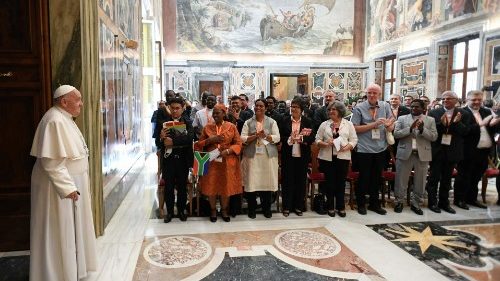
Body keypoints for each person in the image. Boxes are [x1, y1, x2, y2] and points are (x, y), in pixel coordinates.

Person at [30, 85, 97, 280]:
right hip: (57, 188)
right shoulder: (54, 121)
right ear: (64, 101)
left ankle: (73, 270)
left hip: (71, 183)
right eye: (78, 100)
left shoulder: (64, 118)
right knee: (59, 231)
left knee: (70, 230)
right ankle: (56, 273)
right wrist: (67, 188)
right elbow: (51, 162)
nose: (81, 104)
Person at [351, 84, 395, 215]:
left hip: (380, 148)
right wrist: (373, 124)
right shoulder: (359, 108)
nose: (371, 95)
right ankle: (361, 203)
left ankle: (374, 204)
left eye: (374, 93)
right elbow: (354, 128)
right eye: (369, 92)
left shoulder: (385, 106)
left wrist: (388, 126)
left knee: (377, 177)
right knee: (364, 177)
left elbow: (390, 125)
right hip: (364, 149)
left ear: (379, 95)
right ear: (366, 93)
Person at [194, 104, 243, 222]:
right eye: (213, 113)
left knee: (225, 186)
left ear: (224, 113)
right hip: (211, 162)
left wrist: (228, 150)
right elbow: (198, 145)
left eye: (217, 113)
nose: (215, 115)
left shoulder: (231, 127)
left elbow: (238, 143)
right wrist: (210, 140)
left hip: (227, 162)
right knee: (211, 185)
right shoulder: (207, 127)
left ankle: (224, 210)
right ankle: (213, 210)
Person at [426, 91, 471, 214]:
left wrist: (457, 123)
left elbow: (465, 132)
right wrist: (442, 124)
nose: (445, 100)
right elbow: (432, 130)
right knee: (433, 178)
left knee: (446, 179)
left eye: (449, 99)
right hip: (437, 150)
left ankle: (444, 203)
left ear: (456, 100)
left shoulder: (464, 114)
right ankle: (432, 202)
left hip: (453, 150)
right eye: (443, 99)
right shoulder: (434, 112)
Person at [393, 99, 437, 215]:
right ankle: (399, 201)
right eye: (412, 107)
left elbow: (434, 137)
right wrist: (410, 129)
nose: (413, 109)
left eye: (417, 107)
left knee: (420, 181)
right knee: (401, 179)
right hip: (405, 153)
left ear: (423, 108)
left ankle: (416, 203)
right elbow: (396, 134)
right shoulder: (402, 118)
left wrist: (423, 129)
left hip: (422, 154)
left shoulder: (430, 120)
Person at [155, 96, 194, 223]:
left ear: (183, 109)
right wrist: (161, 138)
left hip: (183, 159)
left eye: (178, 108)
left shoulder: (187, 122)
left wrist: (172, 142)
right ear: (169, 109)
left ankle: (182, 210)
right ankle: (170, 212)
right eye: (173, 108)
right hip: (168, 159)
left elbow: (189, 139)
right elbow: (157, 142)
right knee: (169, 187)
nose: (175, 111)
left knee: (182, 186)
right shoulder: (163, 123)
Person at [315, 101, 358, 217]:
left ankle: (341, 206)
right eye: (329, 109)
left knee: (341, 183)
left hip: (343, 157)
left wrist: (347, 147)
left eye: (333, 109)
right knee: (329, 183)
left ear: (340, 111)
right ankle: (330, 206)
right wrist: (325, 143)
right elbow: (317, 140)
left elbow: (354, 140)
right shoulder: (324, 124)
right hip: (327, 157)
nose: (331, 111)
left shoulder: (348, 124)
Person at [453, 90, 494, 209]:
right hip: (467, 151)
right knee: (463, 176)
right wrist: (480, 124)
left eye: (479, 100)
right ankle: (459, 200)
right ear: (467, 100)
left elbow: (492, 128)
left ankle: (471, 199)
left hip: (484, 151)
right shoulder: (461, 112)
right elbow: (462, 131)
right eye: (474, 100)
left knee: (476, 177)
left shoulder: (486, 111)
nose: (477, 102)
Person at [241, 99, 280, 219]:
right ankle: (251, 209)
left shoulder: (272, 122)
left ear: (266, 108)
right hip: (252, 157)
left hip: (267, 157)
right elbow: (242, 138)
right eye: (256, 105)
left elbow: (277, 137)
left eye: (261, 106)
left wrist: (266, 136)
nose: (258, 108)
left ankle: (266, 209)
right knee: (252, 182)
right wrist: (255, 136)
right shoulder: (248, 122)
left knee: (266, 182)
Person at [279, 97, 315, 217]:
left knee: (300, 181)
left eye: (296, 107)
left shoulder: (307, 121)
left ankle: (299, 206)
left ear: (301, 109)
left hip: (302, 155)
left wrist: (302, 139)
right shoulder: (284, 120)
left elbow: (311, 137)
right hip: (287, 155)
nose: (293, 109)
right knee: (287, 180)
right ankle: (286, 207)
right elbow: (280, 137)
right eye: (292, 106)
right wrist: (289, 138)